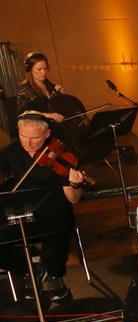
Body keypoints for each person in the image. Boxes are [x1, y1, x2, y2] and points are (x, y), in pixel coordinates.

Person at [0, 111, 87, 302]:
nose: (28, 143)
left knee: (54, 241)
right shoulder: (14, 149)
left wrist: (75, 184)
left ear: (47, 135)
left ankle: (55, 276)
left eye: (34, 138)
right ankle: (27, 269)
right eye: (24, 136)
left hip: (54, 212)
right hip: (21, 211)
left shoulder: (60, 154)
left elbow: (73, 199)